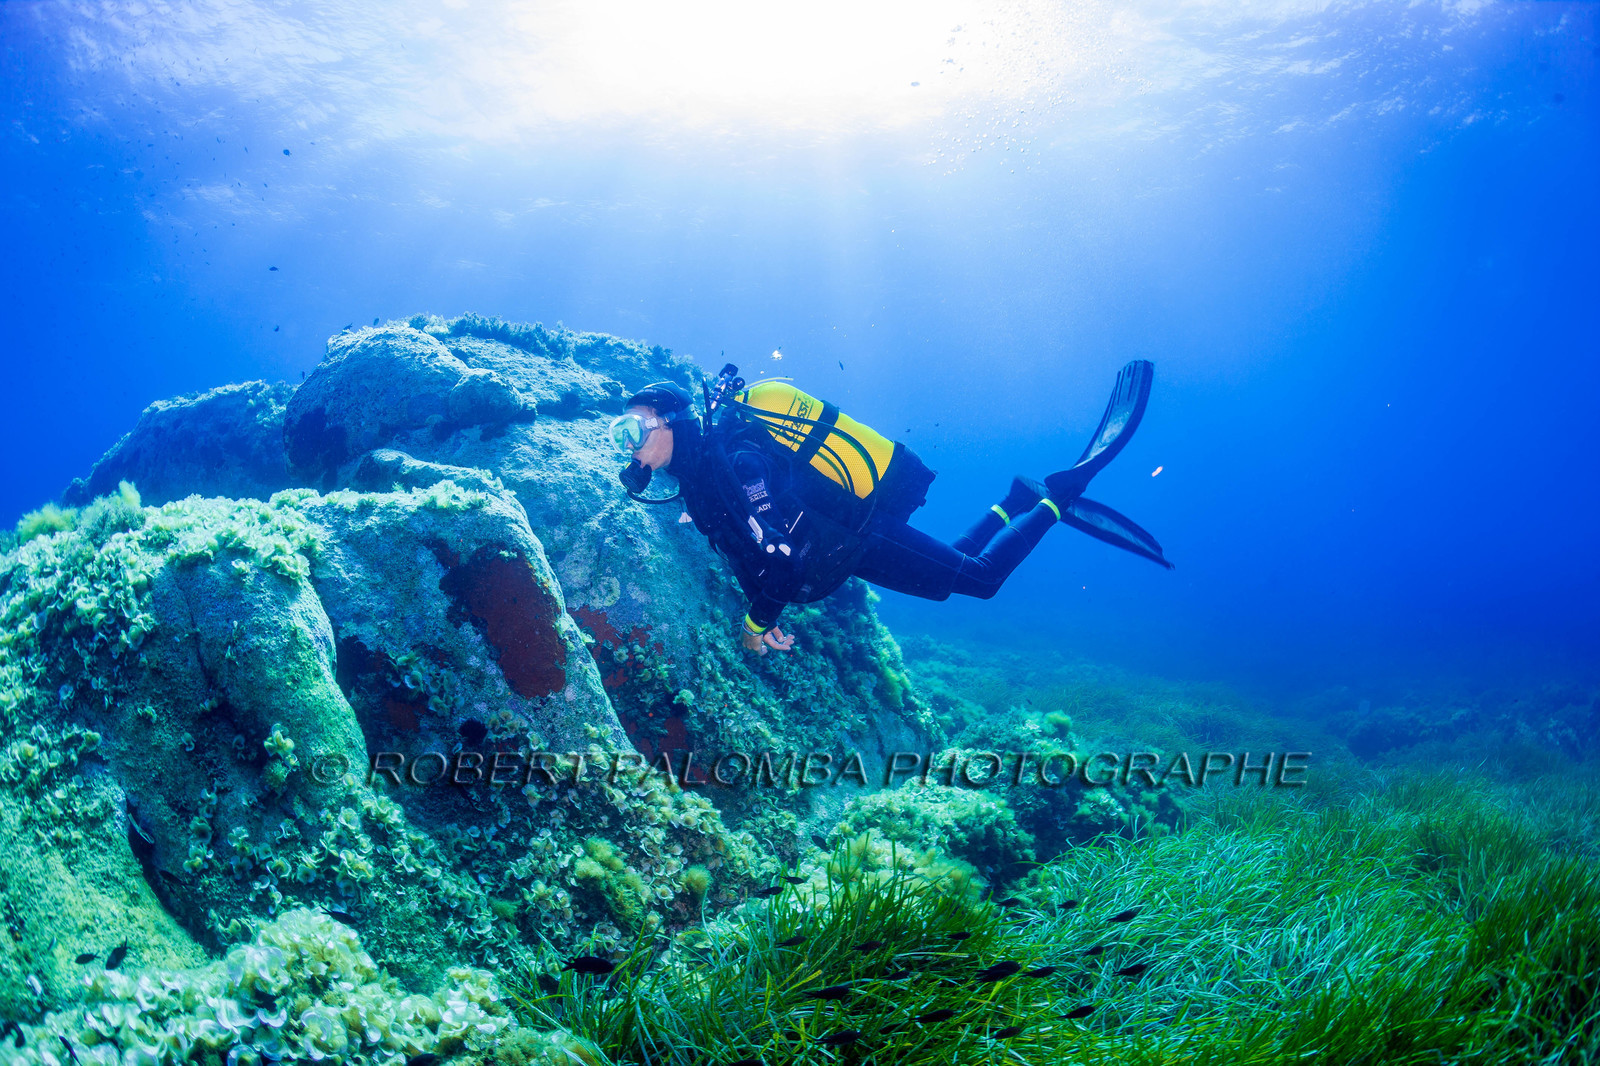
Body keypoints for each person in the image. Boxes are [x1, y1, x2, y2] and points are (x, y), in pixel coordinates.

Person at [609, 362, 1172, 655]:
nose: (627, 443)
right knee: (952, 569)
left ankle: (1054, 498)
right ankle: (1015, 501)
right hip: (841, 548)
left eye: (634, 428)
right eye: (620, 431)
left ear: (673, 423)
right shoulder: (704, 477)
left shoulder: (736, 463)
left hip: (858, 537)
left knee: (979, 581)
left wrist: (757, 625)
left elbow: (779, 562)